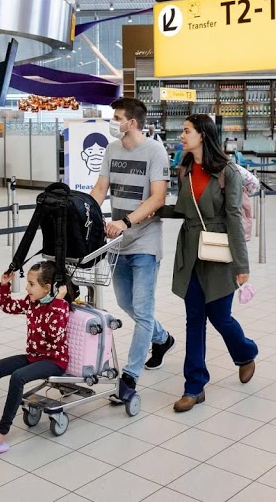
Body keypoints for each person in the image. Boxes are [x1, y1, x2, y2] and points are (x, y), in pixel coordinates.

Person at [159, 114, 257, 413]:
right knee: (194, 320)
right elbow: (186, 210)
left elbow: (234, 220)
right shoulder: (185, 169)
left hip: (219, 253)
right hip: (190, 252)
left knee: (220, 316)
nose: (181, 136)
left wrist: (242, 266)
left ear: (202, 135)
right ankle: (194, 386)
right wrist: (154, 210)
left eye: (186, 131)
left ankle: (245, 352)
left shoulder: (228, 172)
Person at [90, 97, 174, 407]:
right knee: (127, 303)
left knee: (142, 309)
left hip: (144, 242)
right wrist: (84, 212)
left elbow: (157, 198)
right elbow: (100, 189)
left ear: (132, 123)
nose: (114, 121)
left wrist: (125, 221)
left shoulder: (154, 151)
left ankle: (130, 376)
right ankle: (162, 339)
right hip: (117, 243)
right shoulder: (112, 150)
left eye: (117, 117)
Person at [0, 261, 69, 456]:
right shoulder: (32, 302)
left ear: (47, 287)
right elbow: (7, 306)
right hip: (34, 356)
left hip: (54, 361)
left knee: (18, 377)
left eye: (32, 284)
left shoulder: (60, 307)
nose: (27, 288)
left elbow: (54, 334)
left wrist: (58, 301)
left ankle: (2, 431)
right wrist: (4, 285)